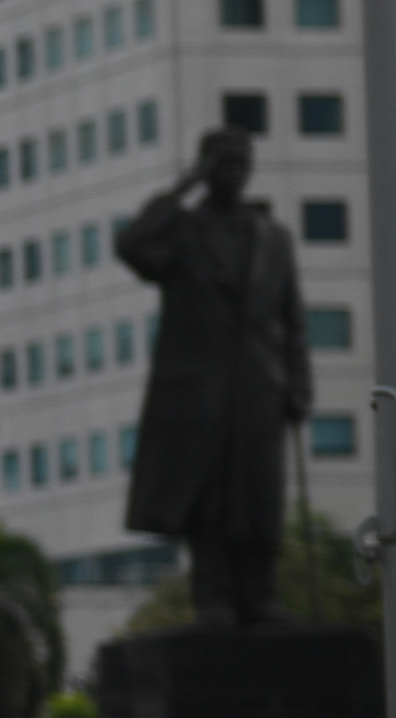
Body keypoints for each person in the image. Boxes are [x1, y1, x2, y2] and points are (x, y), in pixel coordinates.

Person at [117, 128, 312, 628]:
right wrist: (184, 187)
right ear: (206, 169)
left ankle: (261, 595)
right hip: (199, 394)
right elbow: (132, 244)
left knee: (260, 497)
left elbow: (292, 320)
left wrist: (299, 382)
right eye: (222, 164)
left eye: (240, 163)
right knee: (210, 502)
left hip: (259, 388)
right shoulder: (183, 233)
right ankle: (214, 597)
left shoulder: (274, 238)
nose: (234, 173)